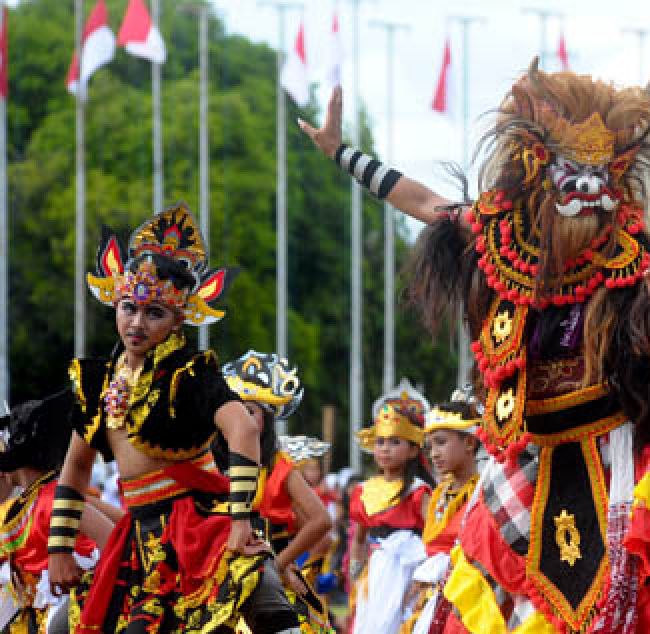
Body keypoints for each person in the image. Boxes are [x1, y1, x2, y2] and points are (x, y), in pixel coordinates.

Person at [302, 58, 650, 634]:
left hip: (611, 452)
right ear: (540, 167)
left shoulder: (632, 257)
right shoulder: (500, 234)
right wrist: (341, 154)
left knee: (618, 602)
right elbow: (426, 203)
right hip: (529, 450)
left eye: (601, 173)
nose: (587, 188)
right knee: (493, 588)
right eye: (574, 169)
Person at [47, 203, 302, 633]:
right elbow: (75, 465)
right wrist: (59, 549)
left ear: (180, 317)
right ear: (114, 302)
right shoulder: (97, 382)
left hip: (202, 524)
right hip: (140, 540)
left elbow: (241, 428)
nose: (137, 323)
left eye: (154, 313)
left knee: (265, 600)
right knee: (64, 625)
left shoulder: (191, 373)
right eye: (128, 307)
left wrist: (241, 520)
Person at [216, 351, 336, 633]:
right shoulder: (209, 463)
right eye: (234, 410)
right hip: (216, 573)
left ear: (267, 419)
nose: (240, 419)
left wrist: (278, 563)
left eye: (250, 411)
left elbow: (322, 521)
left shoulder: (278, 467)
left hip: (265, 574)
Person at [0, 391, 115, 634]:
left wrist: (97, 586)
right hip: (36, 610)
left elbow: (114, 537)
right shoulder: (29, 501)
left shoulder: (52, 497)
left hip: (69, 602)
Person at [347, 380, 434, 634]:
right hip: (377, 569)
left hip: (410, 569)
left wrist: (424, 579)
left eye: (395, 442)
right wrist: (355, 572)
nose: (385, 449)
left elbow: (432, 538)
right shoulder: (363, 490)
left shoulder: (418, 490)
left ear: (412, 450)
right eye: (380, 442)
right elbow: (360, 538)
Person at [403, 387, 483, 634]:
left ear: (469, 442)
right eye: (429, 446)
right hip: (433, 594)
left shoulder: (483, 490)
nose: (434, 453)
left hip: (468, 594)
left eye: (441, 442)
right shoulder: (439, 492)